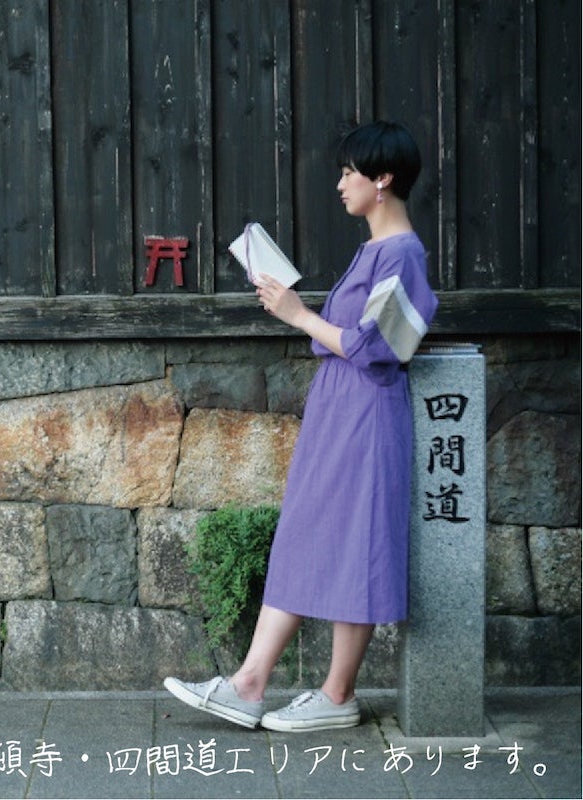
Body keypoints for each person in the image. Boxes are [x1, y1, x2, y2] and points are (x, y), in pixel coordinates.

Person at [164, 120, 439, 732]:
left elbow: (380, 347)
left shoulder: (402, 254)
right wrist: (297, 311)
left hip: (367, 411)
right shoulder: (377, 250)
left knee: (357, 540)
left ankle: (335, 694)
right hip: (341, 407)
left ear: (382, 179)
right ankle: (250, 683)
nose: (340, 184)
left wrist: (297, 314)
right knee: (306, 533)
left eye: (349, 173)